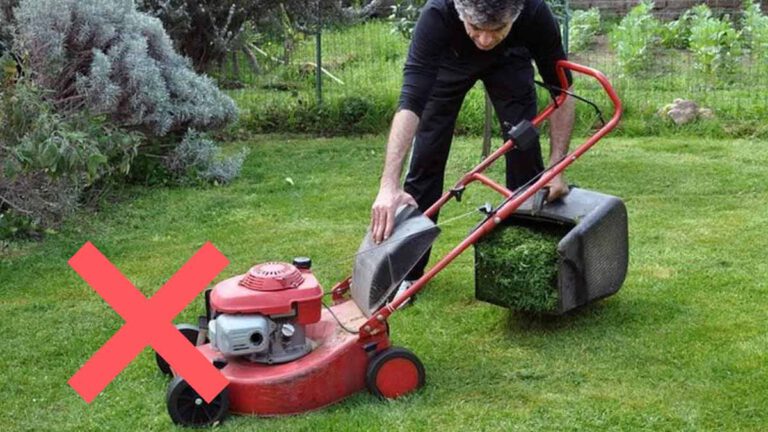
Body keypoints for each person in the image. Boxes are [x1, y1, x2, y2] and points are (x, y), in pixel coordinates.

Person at [369, 0, 576, 295]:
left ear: (515, 16)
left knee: (525, 155)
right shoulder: (437, 15)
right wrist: (388, 185)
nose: (485, 40)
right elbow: (411, 101)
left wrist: (557, 168)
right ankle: (408, 274)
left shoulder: (533, 11)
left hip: (511, 61)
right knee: (427, 156)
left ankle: (524, 263)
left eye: (498, 29)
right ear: (459, 11)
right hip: (449, 61)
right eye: (476, 28)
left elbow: (562, 93)